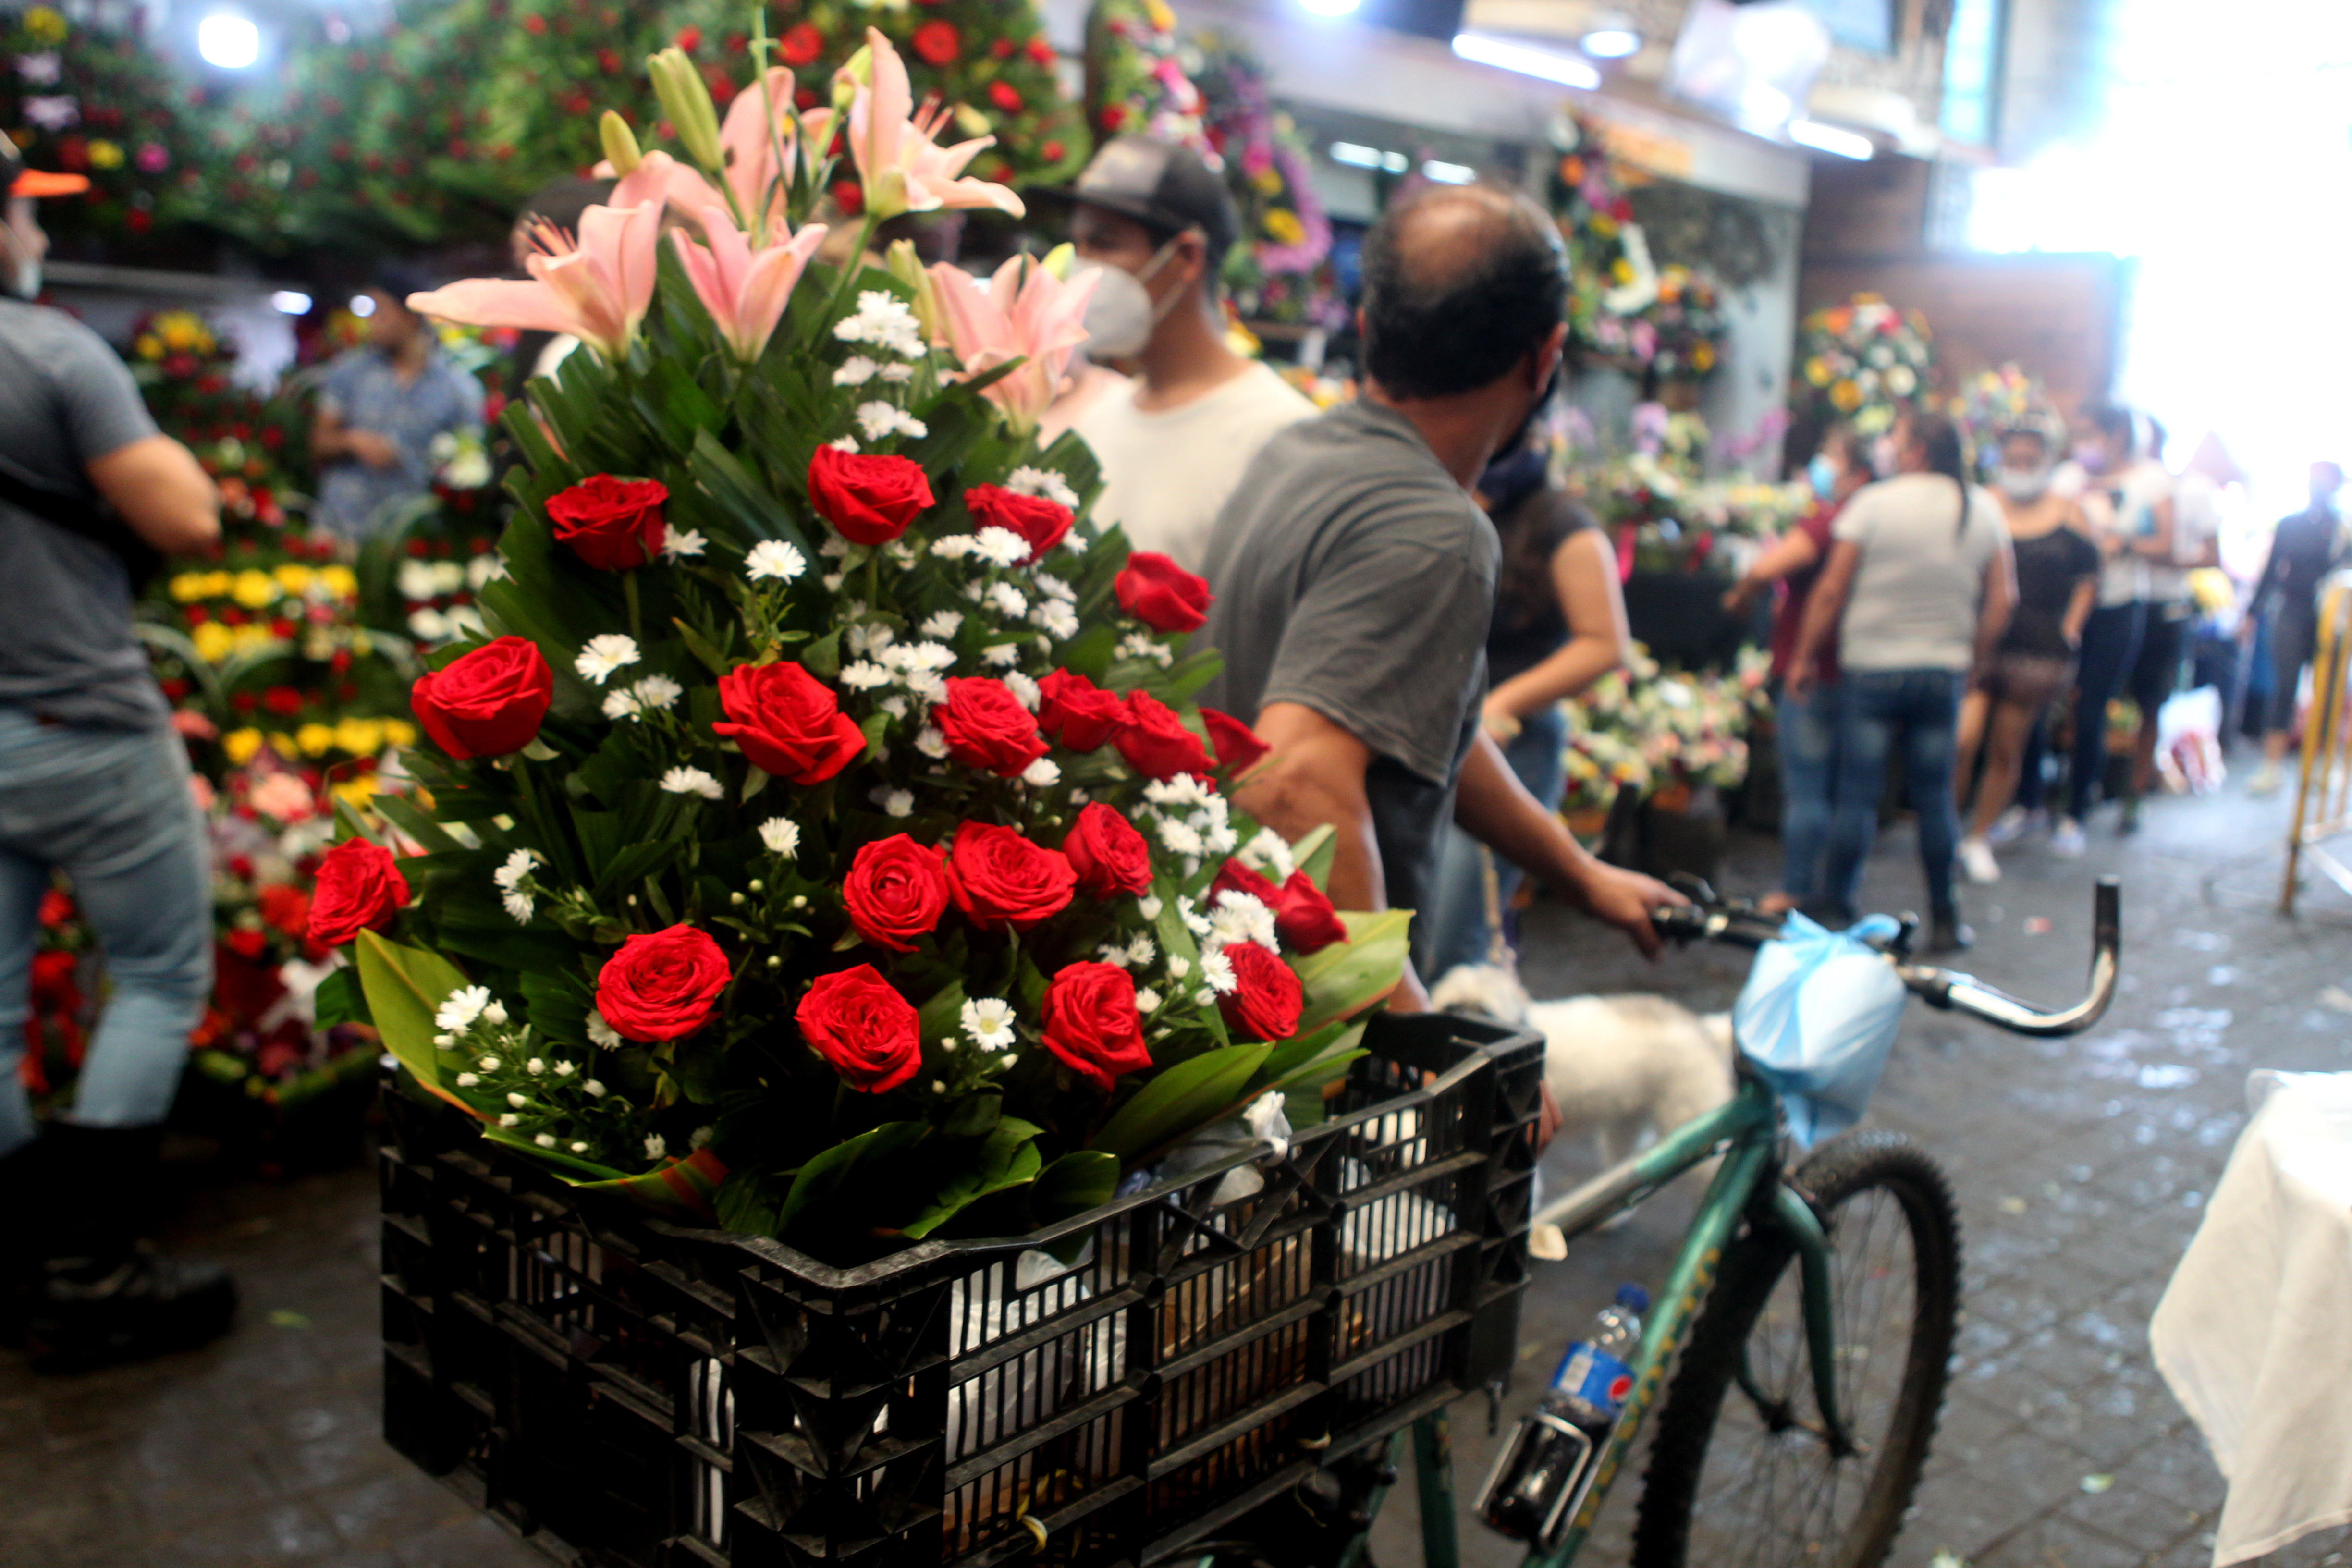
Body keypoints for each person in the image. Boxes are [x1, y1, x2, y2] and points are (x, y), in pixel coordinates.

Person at [1196, 182, 1679, 1011]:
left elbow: (1404, 718)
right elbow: (1294, 778)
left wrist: (1578, 869)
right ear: (1545, 356)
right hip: (1294, 1036)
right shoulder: (1435, 527)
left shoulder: (1299, 450)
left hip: (1218, 968)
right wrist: (1410, 1034)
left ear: (1366, 324)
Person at [0, 139, 236, 1363]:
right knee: (152, 975)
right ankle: (89, 1267)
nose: (36, 233)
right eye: (24, 214)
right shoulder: (47, 351)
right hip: (80, 724)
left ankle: (17, 1257)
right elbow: (186, 517)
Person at [1788, 410, 2014, 952]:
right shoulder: (1981, 508)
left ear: (1916, 452)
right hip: (1942, 673)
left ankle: (1837, 904)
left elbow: (1830, 591)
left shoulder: (1874, 505)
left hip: (1872, 671)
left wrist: (1802, 657)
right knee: (1936, 798)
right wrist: (1974, 658)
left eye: (1896, 437)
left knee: (1858, 794)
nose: (1888, 446)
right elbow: (2004, 600)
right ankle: (1945, 916)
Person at [1417, 426, 1631, 978]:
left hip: (1513, 743)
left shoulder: (1563, 524)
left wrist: (1500, 703)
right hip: (1431, 736)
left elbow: (1605, 644)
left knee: (1454, 934)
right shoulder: (1437, 497)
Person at [1064, 136, 1315, 571]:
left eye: (1104, 245)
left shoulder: (1279, 437)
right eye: (1078, 245)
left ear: (1186, 257)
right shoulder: (1097, 419)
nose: (1081, 270)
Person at [1724, 424, 1872, 915]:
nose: (1822, 464)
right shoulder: (1882, 526)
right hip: (1864, 673)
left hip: (1815, 675)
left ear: (1856, 472)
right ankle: (1841, 894)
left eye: (1831, 453)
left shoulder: (1833, 522)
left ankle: (1797, 889)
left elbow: (1768, 569)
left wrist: (1742, 594)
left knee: (1807, 788)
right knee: (1855, 792)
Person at [1951, 417, 2099, 882]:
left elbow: (2088, 578)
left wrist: (2071, 628)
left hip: (2037, 648)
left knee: (2006, 747)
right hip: (1980, 642)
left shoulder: (2070, 513)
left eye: (2030, 461)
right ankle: (1948, 826)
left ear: (2048, 461)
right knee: (1963, 740)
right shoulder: (1982, 505)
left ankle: (1979, 836)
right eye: (2013, 460)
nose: (2021, 468)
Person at [2049, 405, 2169, 855]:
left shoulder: (2149, 481)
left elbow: (2165, 541)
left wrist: (2123, 542)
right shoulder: (2065, 479)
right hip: (2064, 605)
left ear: (2118, 436)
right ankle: (2028, 801)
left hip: (2118, 605)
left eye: (2092, 433)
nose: (2085, 442)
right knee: (2043, 703)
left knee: (2091, 708)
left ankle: (2076, 810)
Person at [310, 263, 485, 547]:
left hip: (412, 542)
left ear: (411, 318)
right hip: (341, 531)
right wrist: (353, 441)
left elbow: (470, 463)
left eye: (381, 311)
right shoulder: (348, 372)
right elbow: (319, 441)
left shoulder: (458, 390)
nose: (371, 322)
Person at [2114, 416, 2214, 828]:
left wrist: (2159, 554)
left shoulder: (2195, 491)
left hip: (2167, 605)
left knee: (2151, 703)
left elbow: (2211, 554)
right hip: (2120, 602)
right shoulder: (2118, 483)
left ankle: (2134, 795)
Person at [2248, 462, 2348, 796]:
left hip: (2330, 617)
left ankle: (2321, 761)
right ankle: (2271, 765)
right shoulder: (2291, 524)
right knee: (2285, 685)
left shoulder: (2342, 528)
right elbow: (2272, 569)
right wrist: (2251, 611)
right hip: (2292, 609)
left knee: (2329, 687)